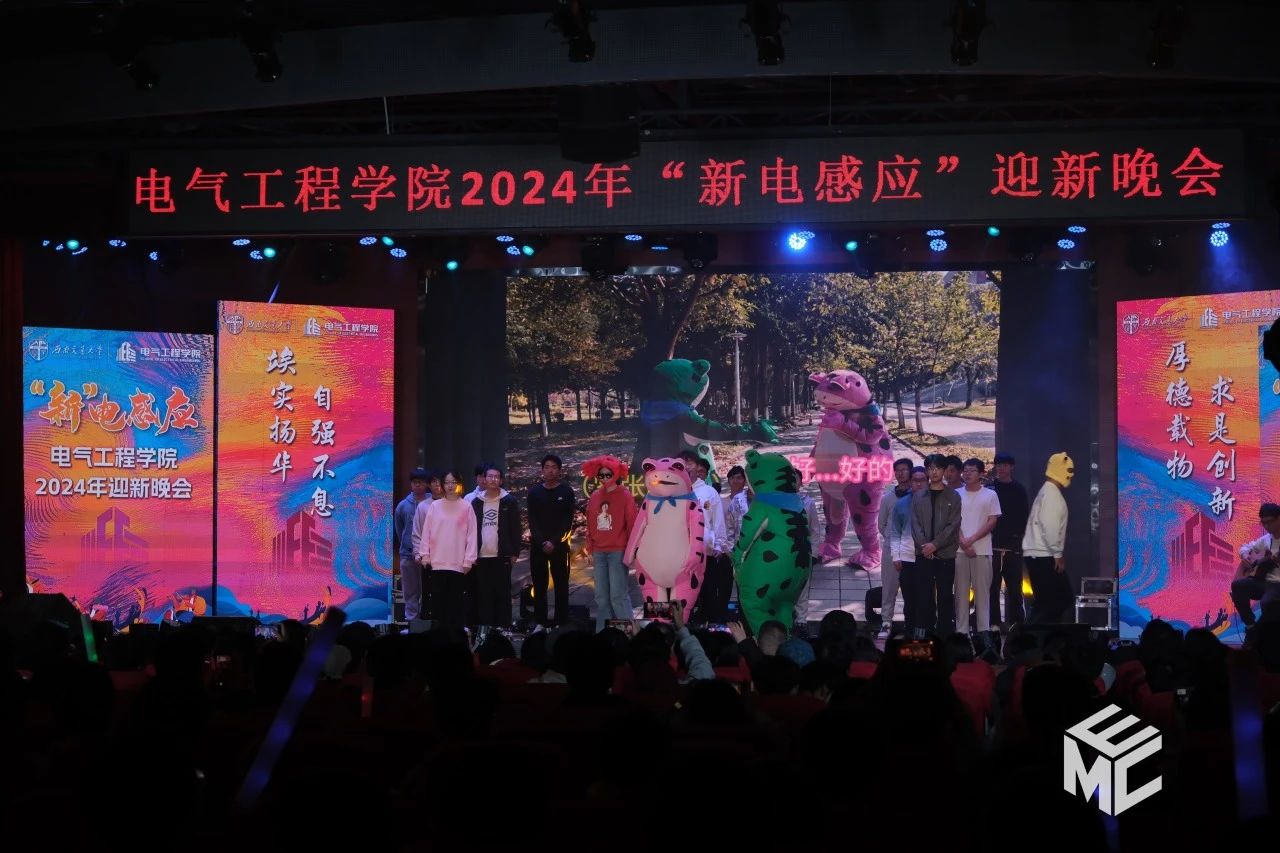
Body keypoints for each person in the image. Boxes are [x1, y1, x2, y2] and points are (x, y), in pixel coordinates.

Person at [415, 470, 477, 634]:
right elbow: (426, 533)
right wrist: (425, 555)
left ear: (459, 484)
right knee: (438, 606)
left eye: (453, 482)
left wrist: (469, 560)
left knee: (456, 606)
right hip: (437, 564)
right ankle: (438, 640)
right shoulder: (435, 506)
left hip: (458, 564)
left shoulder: (466, 507)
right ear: (442, 485)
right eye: (447, 482)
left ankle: (456, 639)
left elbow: (472, 536)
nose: (450, 486)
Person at [583, 455, 638, 631]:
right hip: (599, 551)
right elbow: (590, 524)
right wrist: (590, 548)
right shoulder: (595, 496)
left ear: (616, 474)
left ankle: (628, 633)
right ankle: (603, 635)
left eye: (609, 474)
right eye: (602, 475)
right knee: (601, 597)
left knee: (618, 595)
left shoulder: (625, 495)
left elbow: (632, 523)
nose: (605, 478)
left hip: (617, 551)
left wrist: (632, 551)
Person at [910, 453, 962, 638]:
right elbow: (915, 524)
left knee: (945, 596)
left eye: (938, 468)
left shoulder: (953, 496)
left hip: (945, 554)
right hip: (923, 554)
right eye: (930, 468)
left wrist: (935, 545)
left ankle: (945, 636)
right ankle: (922, 635)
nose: (934, 472)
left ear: (944, 470)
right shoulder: (918, 496)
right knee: (923, 596)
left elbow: (953, 525)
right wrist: (925, 546)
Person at [956, 458, 1001, 648]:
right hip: (959, 550)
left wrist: (972, 539)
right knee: (961, 593)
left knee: (982, 593)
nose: (967, 474)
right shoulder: (956, 494)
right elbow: (952, 521)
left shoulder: (990, 495)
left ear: (981, 473)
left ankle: (983, 633)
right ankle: (961, 633)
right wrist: (963, 542)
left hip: (982, 550)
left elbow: (992, 521)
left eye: (972, 470)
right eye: (965, 470)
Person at [681, 449, 730, 624]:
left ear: (697, 467)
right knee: (682, 594)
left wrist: (719, 545)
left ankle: (707, 628)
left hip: (705, 552)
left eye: (690, 463)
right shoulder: (671, 493)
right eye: (682, 463)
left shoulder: (708, 492)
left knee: (707, 593)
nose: (686, 467)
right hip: (679, 554)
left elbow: (717, 521)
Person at [1024, 452, 1073, 624]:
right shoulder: (1051, 495)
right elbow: (1049, 526)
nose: (1071, 474)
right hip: (1043, 554)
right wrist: (1057, 554)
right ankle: (1034, 633)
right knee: (1059, 599)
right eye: (1069, 470)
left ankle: (1035, 633)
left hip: (1039, 553)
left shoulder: (1047, 491)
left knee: (1047, 602)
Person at [527, 454, 576, 627]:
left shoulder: (566, 492)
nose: (550, 470)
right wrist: (542, 542)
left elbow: (568, 521)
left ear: (559, 471)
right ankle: (540, 622)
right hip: (538, 547)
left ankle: (560, 622)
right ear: (542, 470)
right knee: (539, 586)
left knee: (561, 586)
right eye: (547, 467)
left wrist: (554, 542)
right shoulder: (534, 493)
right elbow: (532, 521)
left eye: (554, 467)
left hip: (560, 547)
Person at [471, 465, 523, 629]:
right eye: (490, 476)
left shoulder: (509, 501)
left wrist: (515, 552)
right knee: (484, 595)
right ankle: (485, 630)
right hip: (481, 557)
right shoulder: (476, 502)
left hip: (503, 556)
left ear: (501, 480)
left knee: (502, 594)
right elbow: (471, 530)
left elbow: (516, 528)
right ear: (484, 479)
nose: (493, 479)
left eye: (496, 477)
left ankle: (503, 629)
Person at [987, 451, 1029, 628]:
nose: (1001, 469)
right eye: (998, 465)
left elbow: (1024, 516)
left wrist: (1017, 538)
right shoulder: (989, 489)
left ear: (1011, 467)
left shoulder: (1019, 489)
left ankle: (1017, 625)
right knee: (992, 588)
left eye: (1004, 465)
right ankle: (994, 625)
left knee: (1015, 588)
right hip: (992, 545)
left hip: (1013, 546)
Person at [887, 465, 927, 637]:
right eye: (915, 480)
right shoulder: (902, 504)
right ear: (910, 482)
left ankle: (924, 633)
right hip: (907, 558)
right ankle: (910, 632)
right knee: (909, 599)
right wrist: (896, 556)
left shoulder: (934, 502)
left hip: (928, 558)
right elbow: (895, 532)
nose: (918, 484)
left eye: (922, 480)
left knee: (925, 599)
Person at [877, 458, 914, 637]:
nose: (900, 473)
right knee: (889, 587)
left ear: (911, 471)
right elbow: (881, 524)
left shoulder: (918, 496)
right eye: (897, 470)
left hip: (913, 550)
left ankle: (911, 623)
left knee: (912, 588)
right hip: (891, 548)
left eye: (904, 469)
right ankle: (886, 622)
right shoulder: (888, 498)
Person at [1231, 502, 1280, 634]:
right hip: (1264, 582)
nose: (1266, 526)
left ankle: (1267, 636)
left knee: (1267, 602)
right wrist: (1245, 555)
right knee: (1238, 586)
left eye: (1269, 522)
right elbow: (1245, 547)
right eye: (1263, 523)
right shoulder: (1266, 539)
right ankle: (1250, 625)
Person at [394, 467, 431, 621]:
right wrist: (407, 544)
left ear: (427, 484)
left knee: (428, 590)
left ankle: (426, 621)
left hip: (429, 556)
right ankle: (412, 622)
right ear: (411, 484)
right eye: (415, 482)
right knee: (410, 591)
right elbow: (399, 529)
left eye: (421, 482)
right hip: (407, 554)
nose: (418, 485)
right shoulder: (403, 505)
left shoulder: (433, 504)